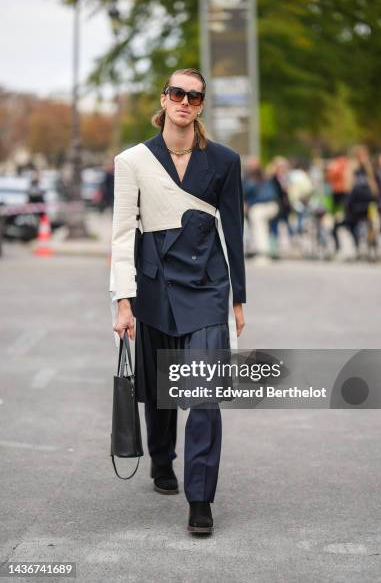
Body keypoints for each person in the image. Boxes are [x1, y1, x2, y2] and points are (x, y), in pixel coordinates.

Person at [109, 67, 246, 534]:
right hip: (155, 284)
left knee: (203, 394)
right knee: (163, 382)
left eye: (194, 95)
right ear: (163, 99)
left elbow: (234, 230)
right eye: (177, 93)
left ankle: (200, 499)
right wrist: (123, 300)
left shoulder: (224, 160)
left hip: (208, 286)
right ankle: (161, 459)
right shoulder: (132, 161)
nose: (184, 101)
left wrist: (238, 300)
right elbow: (124, 233)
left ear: (202, 105)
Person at [332, 145, 379, 256]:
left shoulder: (363, 171)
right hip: (363, 206)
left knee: (356, 224)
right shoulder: (364, 171)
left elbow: (348, 189)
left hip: (360, 207)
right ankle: (364, 244)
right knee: (362, 223)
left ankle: (365, 244)